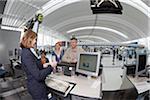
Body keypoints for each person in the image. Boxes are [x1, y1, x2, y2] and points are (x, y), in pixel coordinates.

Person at [20, 29, 56, 100]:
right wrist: (51, 67)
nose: (35, 42)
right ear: (29, 39)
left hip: (36, 86)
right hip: (36, 87)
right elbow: (38, 76)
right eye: (35, 39)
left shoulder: (27, 51)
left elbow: (33, 65)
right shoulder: (26, 54)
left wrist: (43, 65)